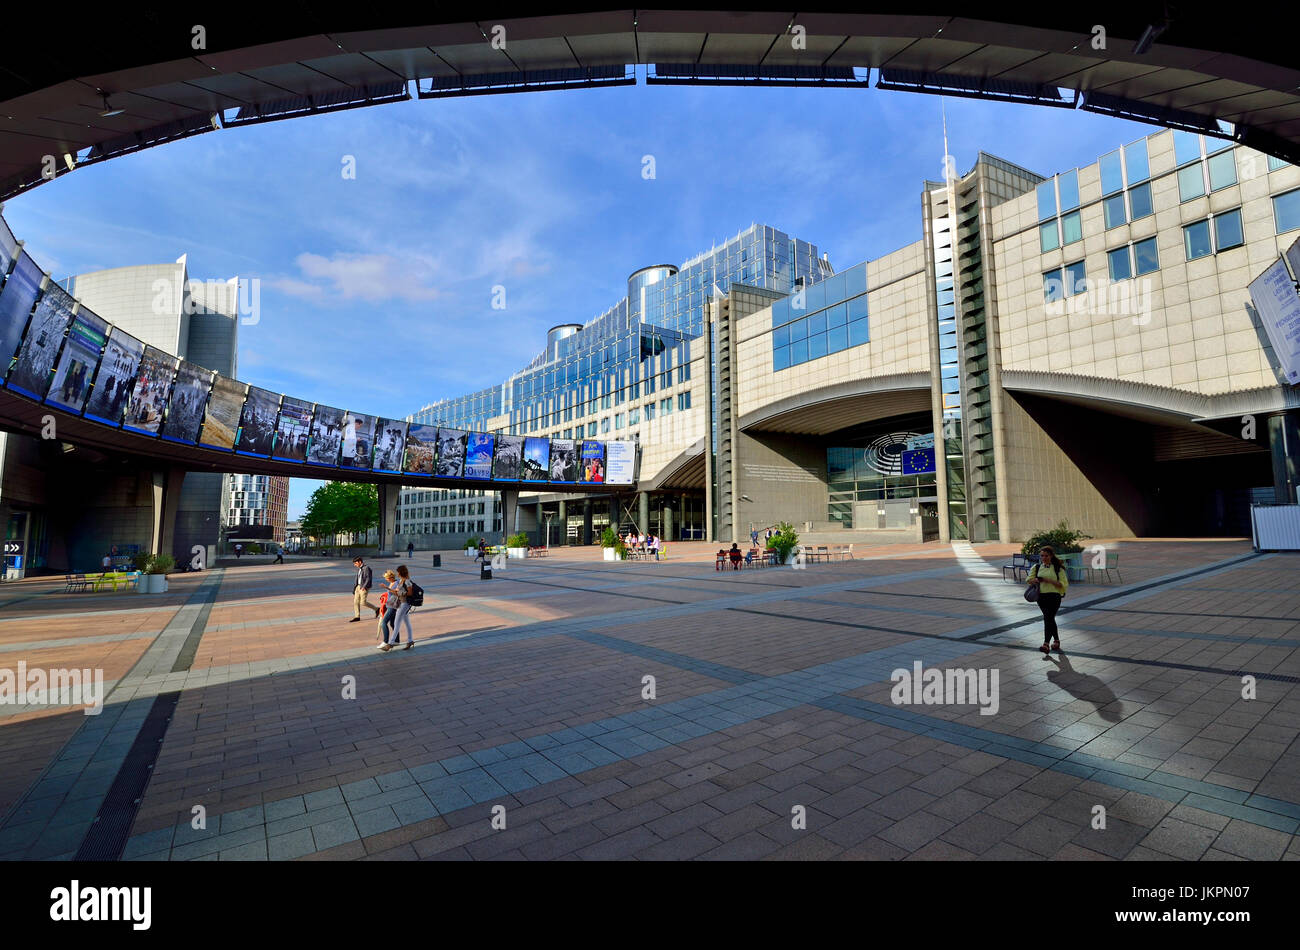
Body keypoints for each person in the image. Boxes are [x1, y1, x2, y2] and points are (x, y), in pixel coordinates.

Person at [1027, 545, 1070, 653]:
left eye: (1046, 555)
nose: (1044, 558)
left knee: (1048, 618)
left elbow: (1063, 585)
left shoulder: (1057, 568)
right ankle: (1056, 640)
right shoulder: (1036, 567)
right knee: (1049, 618)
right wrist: (1036, 580)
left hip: (1054, 596)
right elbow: (1028, 579)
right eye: (1042, 556)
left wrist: (1048, 580)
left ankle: (1046, 644)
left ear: (1051, 556)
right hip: (1041, 597)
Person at [391, 564, 416, 650]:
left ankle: (391, 642)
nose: (397, 573)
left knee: (396, 623)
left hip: (404, 604)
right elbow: (398, 592)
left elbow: (410, 593)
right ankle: (410, 641)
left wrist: (401, 593)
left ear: (401, 572)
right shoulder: (401, 581)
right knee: (407, 623)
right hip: (401, 602)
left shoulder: (407, 581)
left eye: (398, 572)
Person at [350, 556, 380, 624]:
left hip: (363, 587)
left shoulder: (367, 568)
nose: (355, 565)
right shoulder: (359, 569)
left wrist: (364, 586)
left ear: (360, 562)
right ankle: (357, 616)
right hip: (358, 587)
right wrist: (355, 587)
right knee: (355, 602)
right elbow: (358, 577)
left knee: (363, 602)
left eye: (355, 563)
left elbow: (368, 578)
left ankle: (377, 609)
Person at [377, 570, 400, 650]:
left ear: (390, 577)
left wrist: (386, 587)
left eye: (387, 578)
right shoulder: (392, 583)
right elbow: (390, 593)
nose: (386, 579)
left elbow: (397, 593)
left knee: (383, 623)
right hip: (390, 604)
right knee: (392, 623)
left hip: (393, 606)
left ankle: (385, 641)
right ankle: (396, 640)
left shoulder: (396, 583)